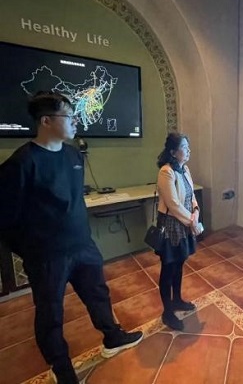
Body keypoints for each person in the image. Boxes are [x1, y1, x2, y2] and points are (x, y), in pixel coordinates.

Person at [0, 92, 143, 384]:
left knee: (98, 294)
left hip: (83, 246)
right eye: (69, 116)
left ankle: (112, 337)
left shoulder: (74, 155)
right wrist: (32, 251)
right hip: (47, 257)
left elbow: (74, 201)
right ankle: (61, 366)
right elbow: (5, 219)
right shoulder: (22, 163)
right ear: (46, 121)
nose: (76, 122)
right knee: (50, 312)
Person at [155, 132, 202, 331]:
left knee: (180, 264)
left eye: (188, 146)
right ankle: (167, 312)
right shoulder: (166, 172)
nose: (188, 150)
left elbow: (191, 195)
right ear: (173, 152)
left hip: (184, 224)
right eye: (184, 147)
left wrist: (196, 212)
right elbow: (173, 204)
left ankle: (177, 300)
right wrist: (192, 221)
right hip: (171, 226)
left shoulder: (184, 169)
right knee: (168, 268)